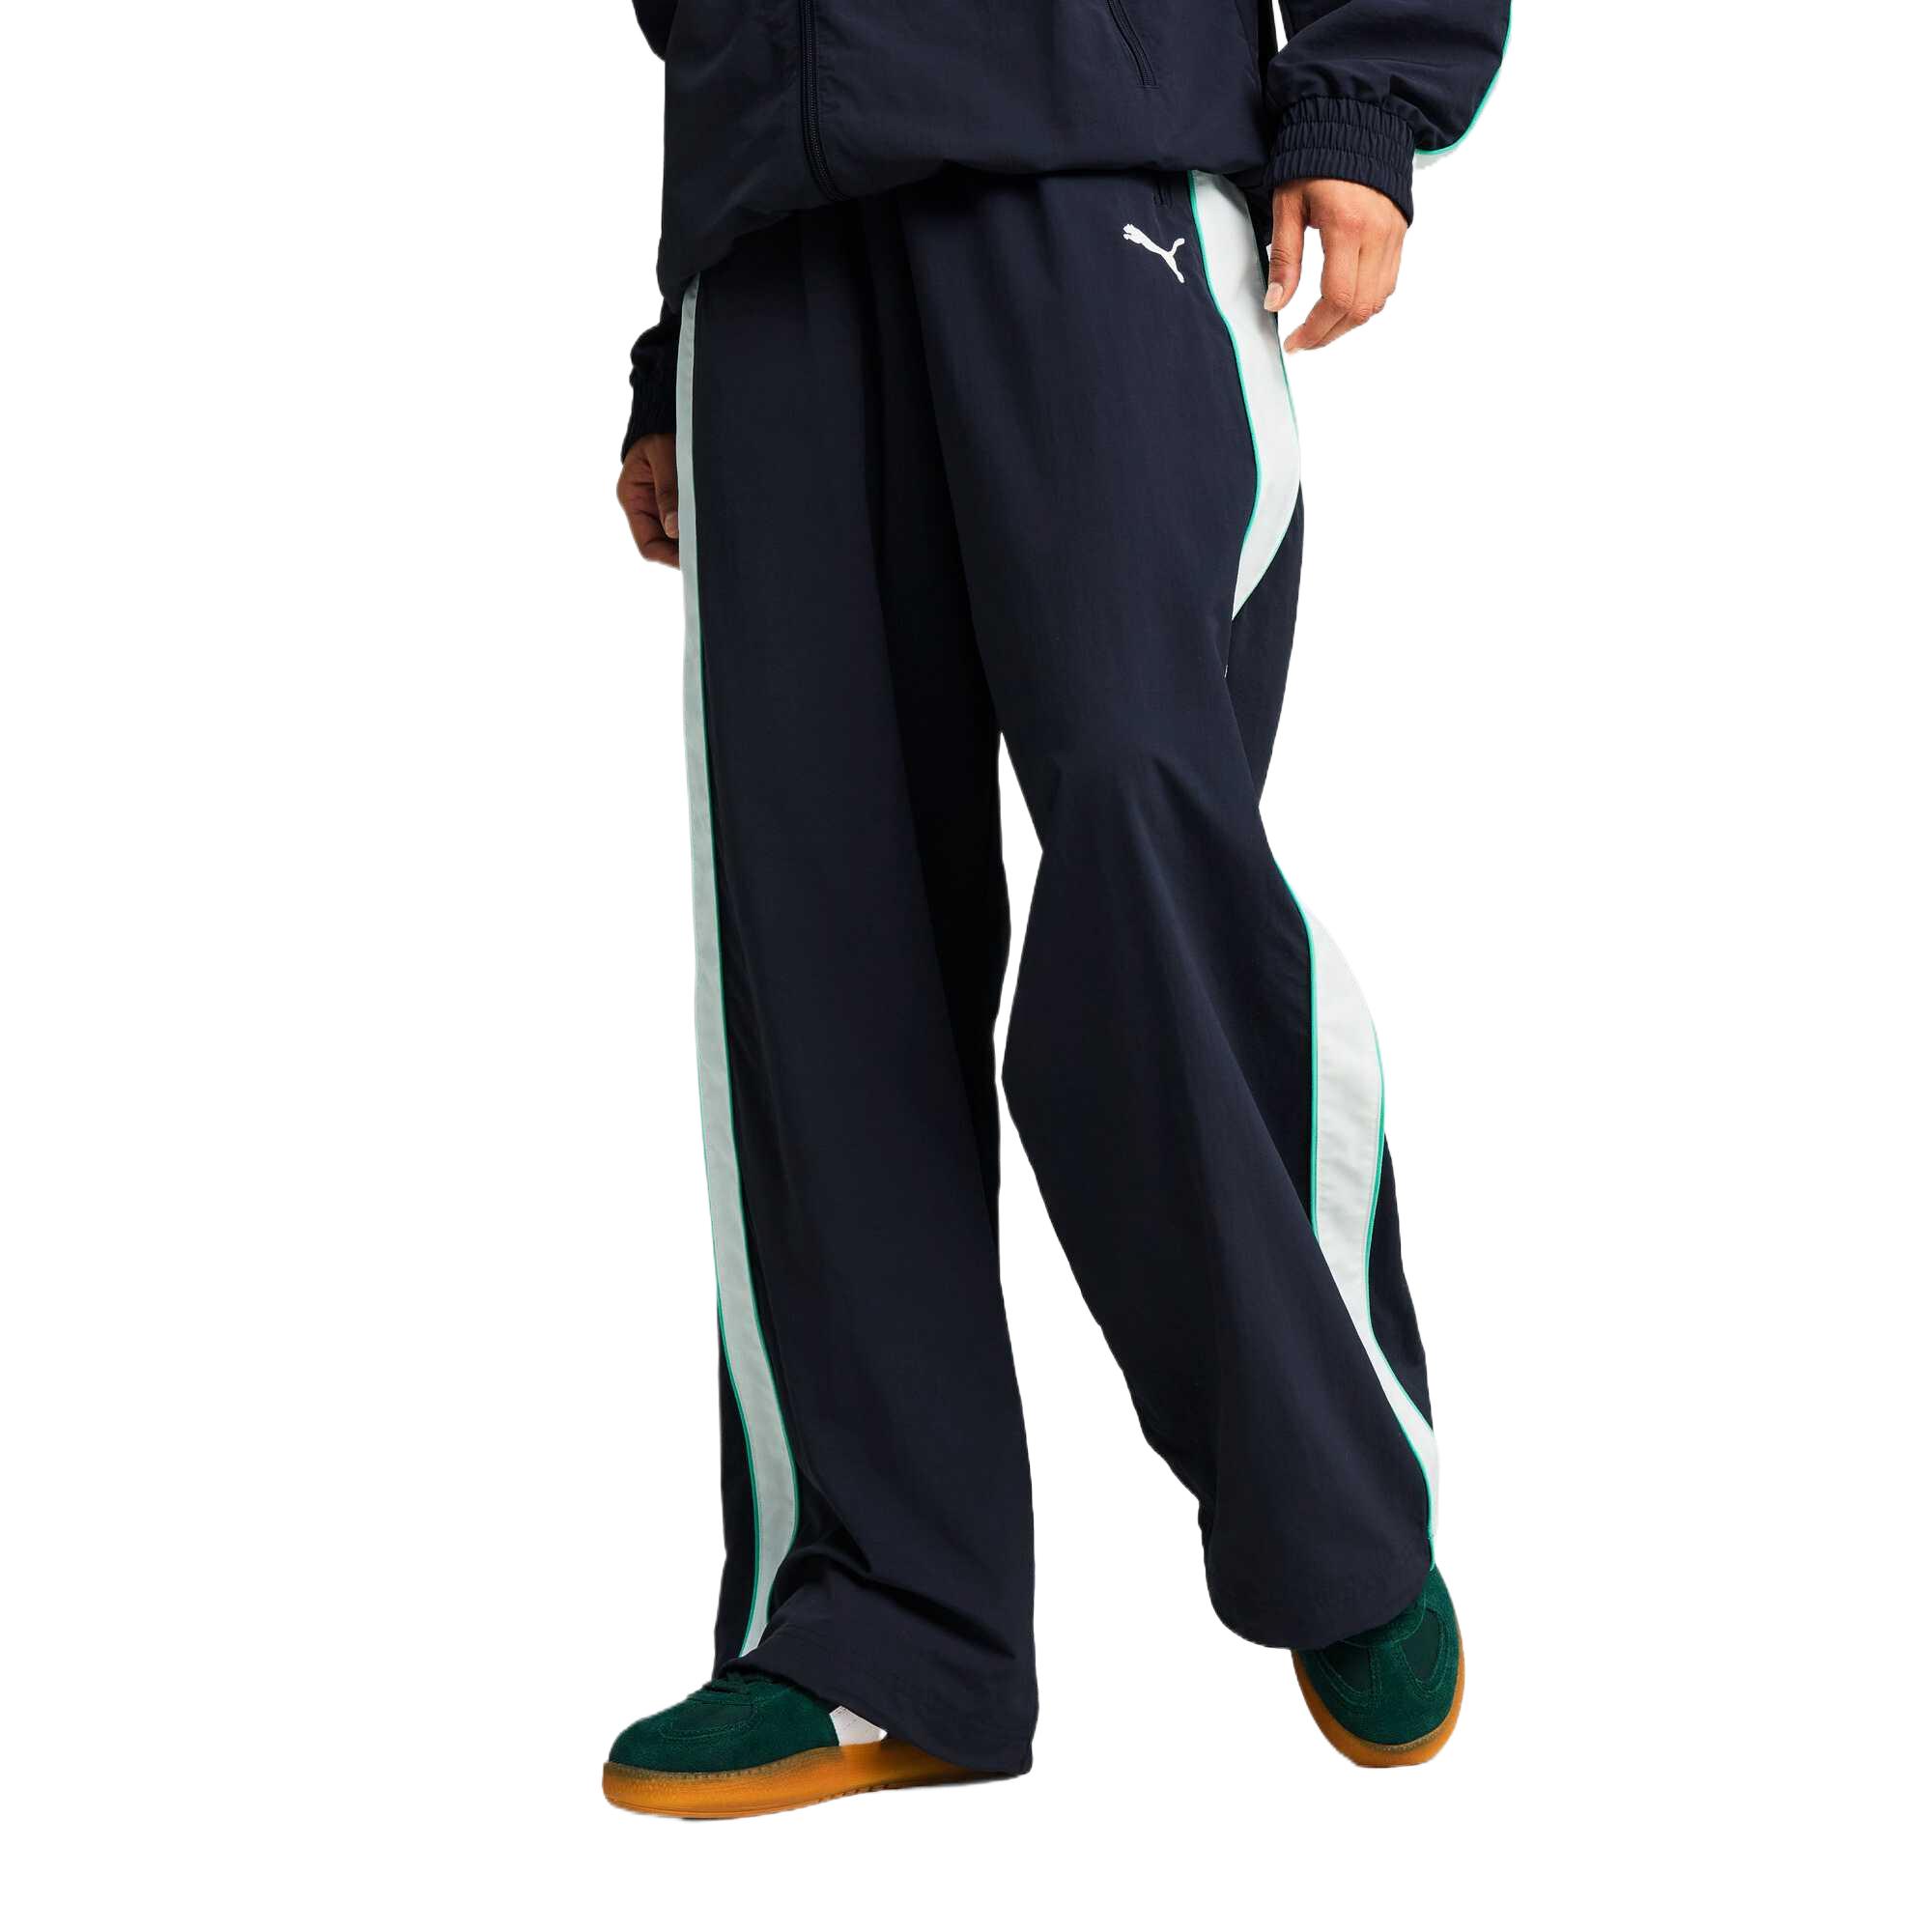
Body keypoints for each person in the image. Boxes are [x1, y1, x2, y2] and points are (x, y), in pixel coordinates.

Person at [604, 1, 1507, 1819]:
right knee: (818, 922)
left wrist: (1362, 92)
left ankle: (1333, 1499)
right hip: (777, 226)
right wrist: (681, 326)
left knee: (1142, 809)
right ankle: (884, 1626)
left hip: (1095, 139)